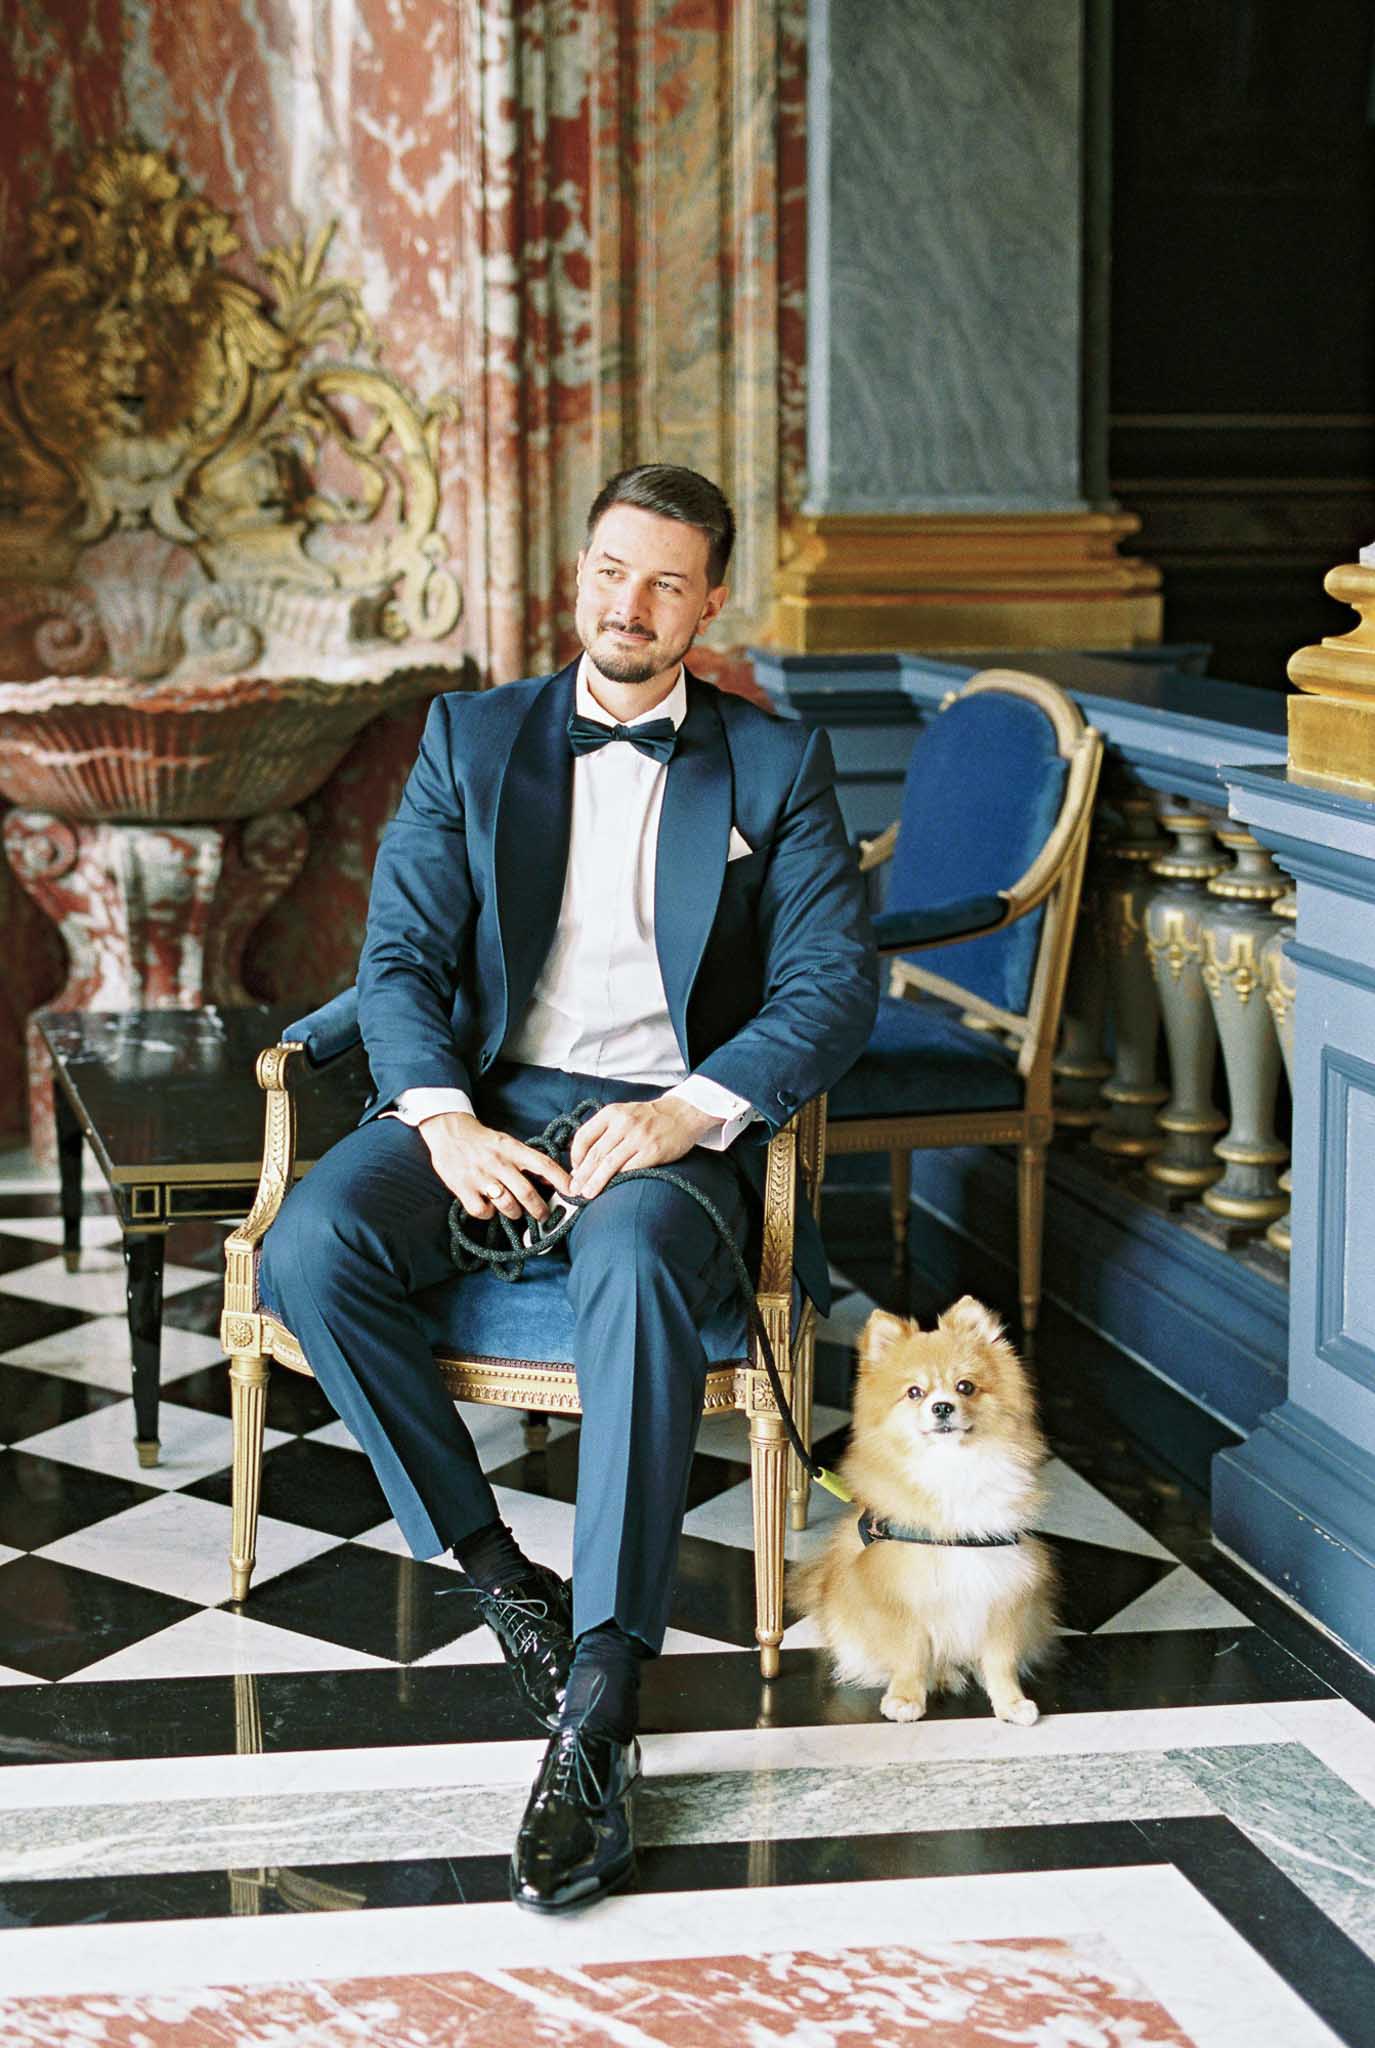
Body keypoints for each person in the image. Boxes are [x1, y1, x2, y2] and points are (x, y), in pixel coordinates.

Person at [260, 463, 878, 1912]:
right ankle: (502, 1581)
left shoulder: (775, 764)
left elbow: (832, 982)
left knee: (640, 1262)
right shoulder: (472, 738)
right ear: (579, 573)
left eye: (666, 582)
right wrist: (443, 1123)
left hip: (668, 1121)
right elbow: (400, 960)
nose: (630, 604)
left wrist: (688, 1112)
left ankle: (604, 1691)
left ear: (710, 603)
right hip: (493, 1095)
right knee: (312, 1247)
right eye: (612, 570)